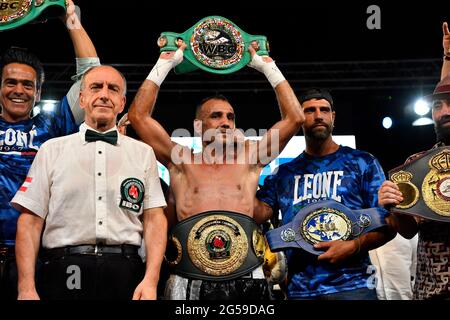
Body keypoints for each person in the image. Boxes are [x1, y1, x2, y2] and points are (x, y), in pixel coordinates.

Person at [127, 41, 304, 300]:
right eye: (216, 116)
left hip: (247, 275)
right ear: (198, 126)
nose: (225, 122)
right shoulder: (181, 160)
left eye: (230, 117)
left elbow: (295, 118)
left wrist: (267, 68)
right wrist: (165, 64)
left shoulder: (251, 158)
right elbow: (138, 116)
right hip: (189, 278)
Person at [11, 65, 168, 300]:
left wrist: (151, 279)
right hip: (64, 266)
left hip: (126, 267)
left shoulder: (143, 153)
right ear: (82, 99)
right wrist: (26, 288)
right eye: (96, 87)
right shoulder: (51, 150)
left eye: (112, 89)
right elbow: (30, 221)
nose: (104, 94)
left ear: (122, 102)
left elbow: (155, 219)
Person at [255, 88, 396, 300]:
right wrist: (248, 170)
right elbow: (258, 213)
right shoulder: (284, 173)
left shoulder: (362, 162)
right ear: (299, 119)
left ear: (333, 117)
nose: (318, 115)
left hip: (354, 285)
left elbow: (389, 224)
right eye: (310, 110)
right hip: (301, 290)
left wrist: (353, 246)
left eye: (324, 110)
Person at [0, 0, 99, 300]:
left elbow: (91, 76)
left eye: (28, 85)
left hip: (37, 254)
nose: (19, 90)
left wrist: (71, 21)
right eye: (11, 83)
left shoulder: (52, 124)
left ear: (39, 91)